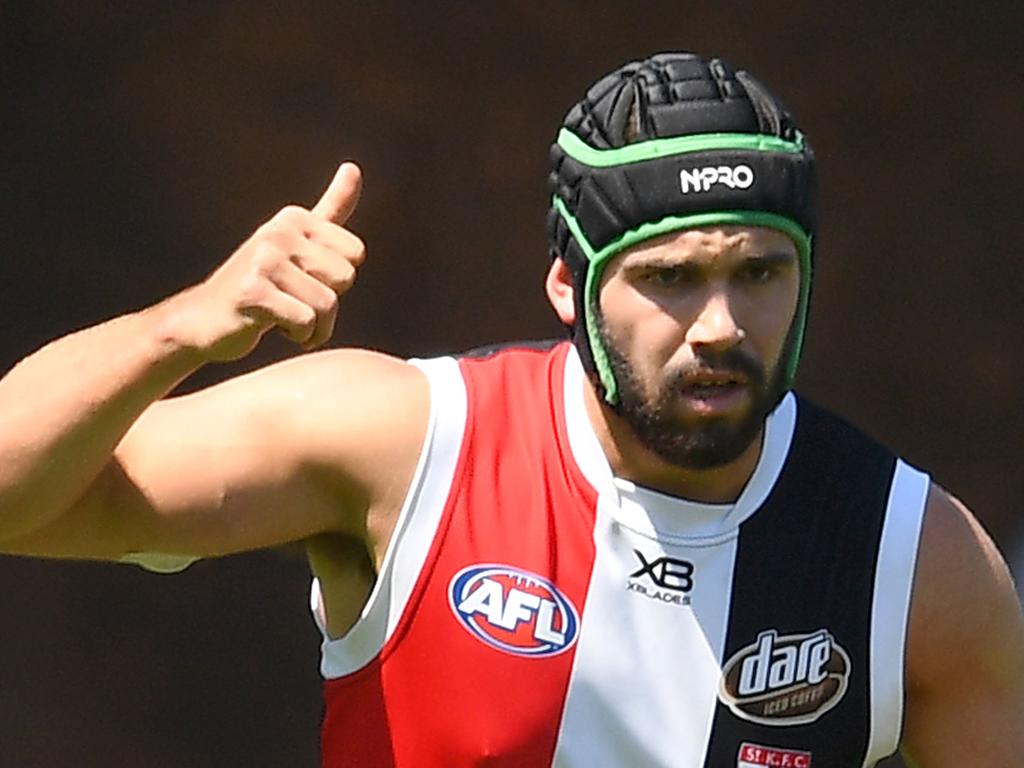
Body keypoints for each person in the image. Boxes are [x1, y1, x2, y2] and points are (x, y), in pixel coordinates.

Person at [0, 52, 1021, 767]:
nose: (718, 323)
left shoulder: (914, 558)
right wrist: (179, 331)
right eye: (669, 276)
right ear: (567, 288)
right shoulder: (402, 445)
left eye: (760, 271)